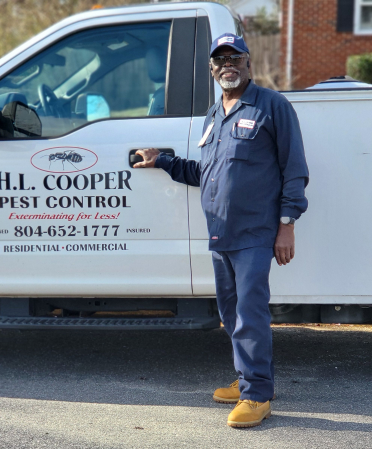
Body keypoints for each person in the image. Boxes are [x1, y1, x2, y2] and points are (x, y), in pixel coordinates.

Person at [133, 33, 309, 428]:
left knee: (249, 313)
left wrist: (287, 226)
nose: (227, 63)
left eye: (235, 57)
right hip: (220, 234)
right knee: (230, 313)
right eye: (220, 59)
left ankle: (258, 395)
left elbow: (294, 169)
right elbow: (205, 172)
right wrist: (162, 160)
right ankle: (249, 377)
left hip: (255, 233)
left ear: (249, 63)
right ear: (212, 69)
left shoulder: (272, 106)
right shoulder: (214, 115)